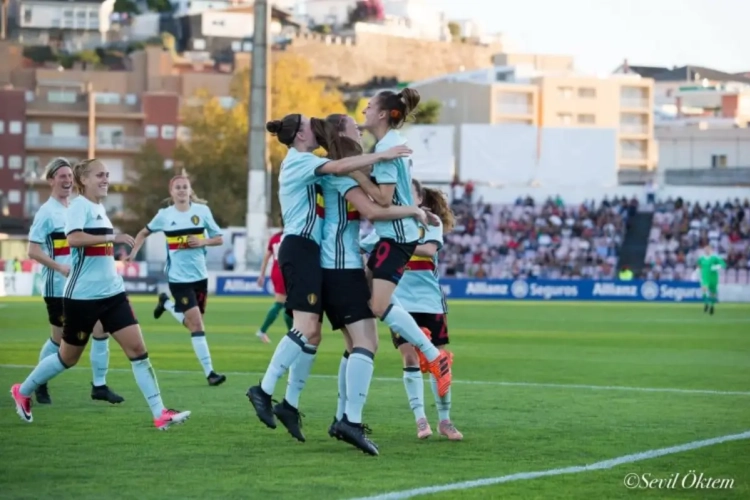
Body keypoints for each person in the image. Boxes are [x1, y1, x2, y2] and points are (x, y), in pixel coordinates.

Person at [246, 113, 412, 439]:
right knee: (311, 329)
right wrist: (383, 157)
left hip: (313, 253)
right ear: (299, 136)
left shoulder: (311, 162)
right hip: (304, 249)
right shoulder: (300, 163)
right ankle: (264, 391)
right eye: (310, 124)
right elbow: (355, 184)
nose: (316, 126)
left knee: (316, 335)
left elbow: (341, 166)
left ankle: (290, 405)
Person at [10, 159, 191, 430]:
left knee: (138, 350)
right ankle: (22, 391)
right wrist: (112, 238)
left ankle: (159, 413)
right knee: (67, 358)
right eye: (100, 175)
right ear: (84, 180)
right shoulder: (77, 206)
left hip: (113, 294)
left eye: (107, 175)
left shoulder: (99, 207)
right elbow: (73, 239)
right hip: (82, 297)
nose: (106, 179)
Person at [316, 114, 433, 454]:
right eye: (354, 126)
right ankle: (347, 420)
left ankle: (341, 417)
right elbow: (377, 210)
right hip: (339, 266)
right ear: (342, 134)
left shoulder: (341, 167)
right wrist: (413, 210)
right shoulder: (339, 170)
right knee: (366, 342)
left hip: (342, 264)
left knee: (354, 345)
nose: (360, 128)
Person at [349, 88, 452, 397]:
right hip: (395, 233)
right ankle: (419, 343)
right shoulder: (390, 145)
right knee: (366, 300)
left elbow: (383, 198)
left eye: (369, 107)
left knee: (378, 305)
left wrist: (356, 174)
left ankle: (432, 355)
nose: (364, 111)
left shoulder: (388, 147)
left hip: (396, 236)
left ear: (382, 114)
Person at [26, 158, 123, 405]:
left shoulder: (80, 206)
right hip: (57, 285)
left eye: (70, 176)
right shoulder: (47, 212)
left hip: (85, 285)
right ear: (51, 180)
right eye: (62, 176)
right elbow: (32, 251)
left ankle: (99, 386)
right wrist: (59, 267)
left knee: (102, 330)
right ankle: (38, 383)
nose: (67, 180)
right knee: (60, 342)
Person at [129, 174, 226, 386]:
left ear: (190, 191)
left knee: (194, 324)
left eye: (185, 187)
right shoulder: (164, 215)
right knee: (197, 324)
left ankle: (165, 303)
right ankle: (210, 373)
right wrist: (133, 251)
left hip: (200, 277)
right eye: (177, 188)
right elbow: (143, 233)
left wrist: (202, 241)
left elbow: (218, 239)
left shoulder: (202, 212)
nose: (181, 190)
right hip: (178, 279)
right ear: (171, 193)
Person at [391, 179, 462, 440]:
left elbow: (429, 249)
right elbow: (365, 245)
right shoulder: (389, 222)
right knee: (409, 358)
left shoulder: (431, 222)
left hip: (430, 301)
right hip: (399, 303)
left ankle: (445, 420)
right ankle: (421, 420)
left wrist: (393, 245)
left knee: (438, 360)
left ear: (420, 199)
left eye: (408, 194)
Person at [255, 227, 292, 343]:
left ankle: (293, 334)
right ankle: (263, 330)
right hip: (284, 271)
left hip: (276, 270)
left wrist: (261, 275)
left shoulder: (275, 237)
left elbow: (267, 257)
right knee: (284, 303)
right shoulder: (291, 237)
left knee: (286, 304)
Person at [696, 243, 726, 315]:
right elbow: (698, 265)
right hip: (705, 277)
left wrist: (717, 267)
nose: (707, 250)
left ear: (711, 250)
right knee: (704, 290)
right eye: (705, 249)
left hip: (713, 277)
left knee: (713, 293)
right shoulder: (701, 258)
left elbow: (724, 265)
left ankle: (712, 306)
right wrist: (698, 272)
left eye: (708, 249)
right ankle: (706, 304)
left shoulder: (715, 258)